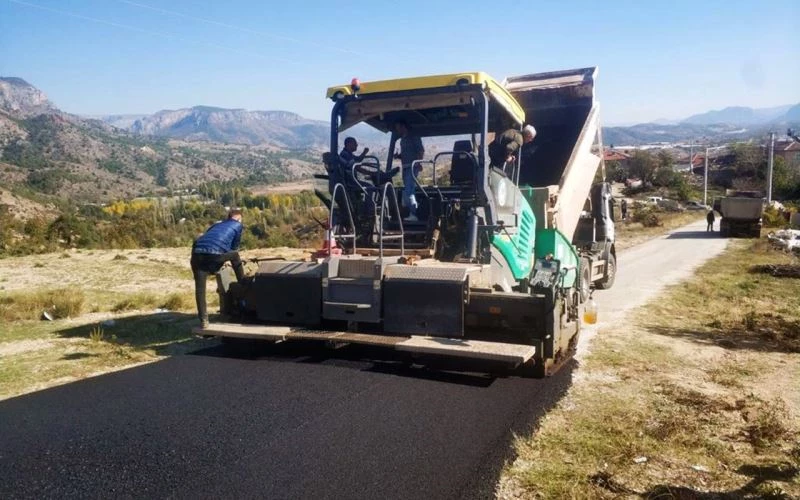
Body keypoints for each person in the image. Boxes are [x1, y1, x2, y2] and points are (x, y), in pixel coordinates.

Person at [191, 209, 244, 328]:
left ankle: (204, 321)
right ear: (239, 219)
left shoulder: (217, 224)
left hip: (197, 255)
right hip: (214, 255)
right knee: (235, 256)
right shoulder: (238, 225)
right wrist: (224, 259)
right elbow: (234, 248)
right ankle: (243, 282)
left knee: (200, 290)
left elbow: (206, 239)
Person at [394, 120, 425, 221]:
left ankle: (414, 214)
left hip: (412, 167)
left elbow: (420, 150)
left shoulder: (414, 136)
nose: (397, 130)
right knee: (409, 190)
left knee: (408, 191)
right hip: (405, 167)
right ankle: (412, 211)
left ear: (403, 126)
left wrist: (418, 163)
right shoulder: (402, 140)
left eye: (398, 127)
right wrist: (398, 156)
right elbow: (405, 154)